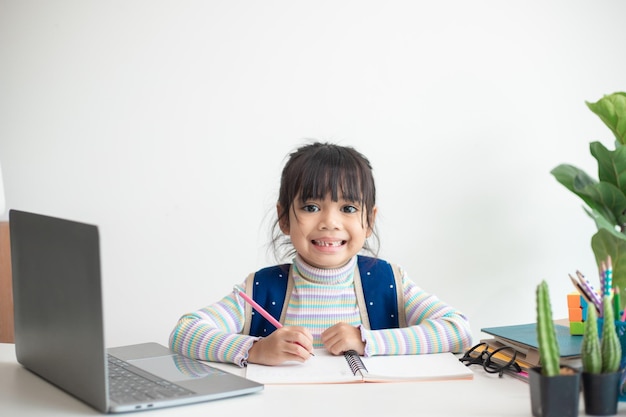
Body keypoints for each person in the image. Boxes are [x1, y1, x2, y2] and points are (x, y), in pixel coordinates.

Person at [169, 142, 473, 366]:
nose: (330, 222)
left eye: (348, 209)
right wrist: (255, 349)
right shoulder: (260, 288)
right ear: (284, 218)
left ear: (369, 221)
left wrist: (367, 341)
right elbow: (185, 332)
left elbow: (458, 331)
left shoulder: (389, 282)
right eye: (311, 207)